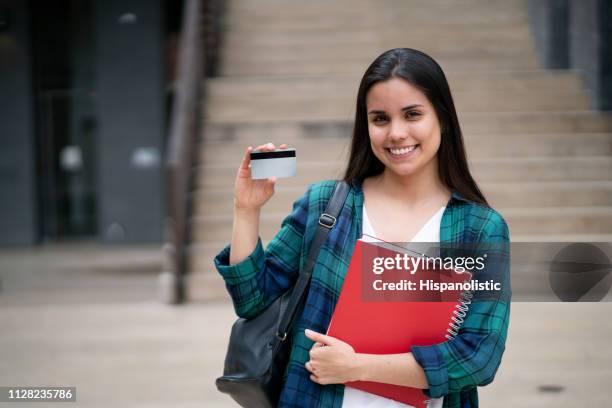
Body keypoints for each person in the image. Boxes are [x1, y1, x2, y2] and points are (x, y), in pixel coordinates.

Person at [214, 48, 511, 408]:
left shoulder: (480, 228)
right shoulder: (327, 204)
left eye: (413, 114)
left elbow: (480, 356)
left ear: (443, 119)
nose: (397, 133)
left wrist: (357, 367)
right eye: (380, 118)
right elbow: (252, 300)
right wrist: (245, 210)